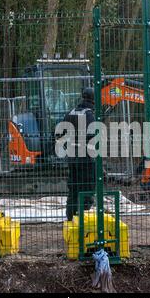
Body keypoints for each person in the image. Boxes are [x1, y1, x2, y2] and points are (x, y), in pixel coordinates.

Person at [63, 87, 96, 221]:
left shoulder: (70, 112)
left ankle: (71, 217)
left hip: (72, 158)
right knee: (87, 189)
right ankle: (83, 219)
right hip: (85, 159)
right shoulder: (89, 115)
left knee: (74, 189)